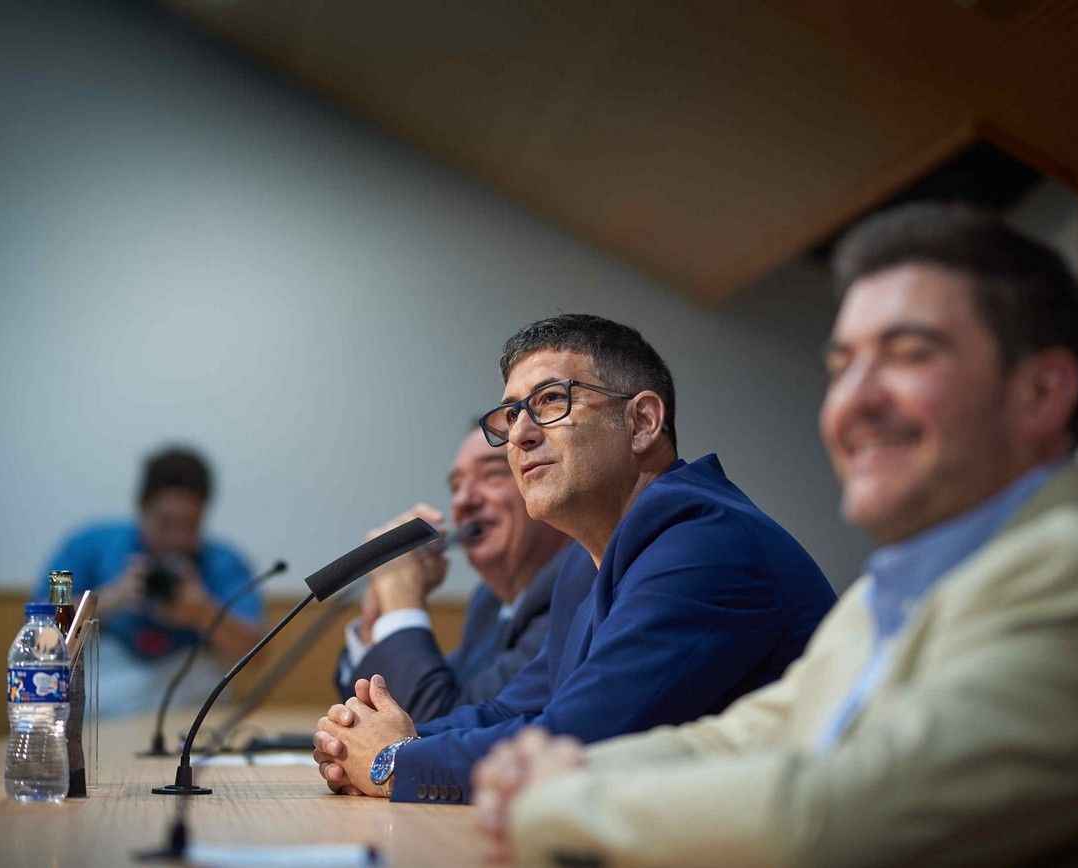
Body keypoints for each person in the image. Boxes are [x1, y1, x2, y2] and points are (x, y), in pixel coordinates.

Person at [472, 203, 1078, 866]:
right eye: (844, 363)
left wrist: (553, 802)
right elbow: (744, 738)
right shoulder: (899, 588)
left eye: (908, 354)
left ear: (1042, 392)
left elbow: (833, 820)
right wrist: (562, 767)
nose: (852, 401)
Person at [312, 314, 836, 804]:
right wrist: (363, 739)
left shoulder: (705, 544)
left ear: (643, 422)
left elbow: (579, 740)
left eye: (550, 401)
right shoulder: (585, 563)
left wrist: (394, 761)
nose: (519, 435)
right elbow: (516, 709)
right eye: (512, 415)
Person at [334, 426, 581, 722]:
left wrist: (402, 608)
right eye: (456, 486)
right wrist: (379, 613)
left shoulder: (577, 590)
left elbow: (441, 723)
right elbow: (429, 698)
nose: (463, 501)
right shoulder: (487, 601)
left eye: (492, 474)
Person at [38, 446, 263, 718]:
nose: (177, 539)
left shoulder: (225, 562)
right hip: (105, 697)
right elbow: (41, 627)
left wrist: (202, 611)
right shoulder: (84, 544)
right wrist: (110, 600)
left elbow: (257, 653)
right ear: (141, 509)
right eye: (165, 525)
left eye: (190, 526)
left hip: (185, 698)